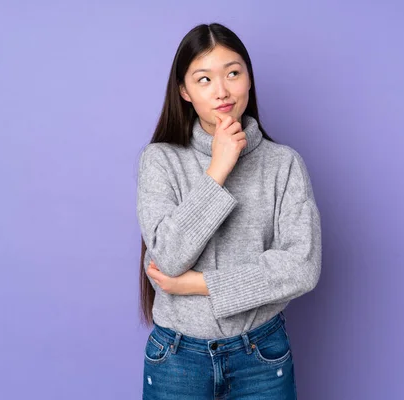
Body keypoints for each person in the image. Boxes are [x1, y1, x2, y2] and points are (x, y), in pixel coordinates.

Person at [136, 22, 322, 399]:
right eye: (203, 79)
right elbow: (168, 258)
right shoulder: (160, 161)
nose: (221, 91)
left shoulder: (283, 164)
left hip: (261, 355)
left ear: (248, 79)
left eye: (232, 73)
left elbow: (302, 267)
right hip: (177, 357)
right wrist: (217, 169)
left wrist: (199, 285)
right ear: (184, 92)